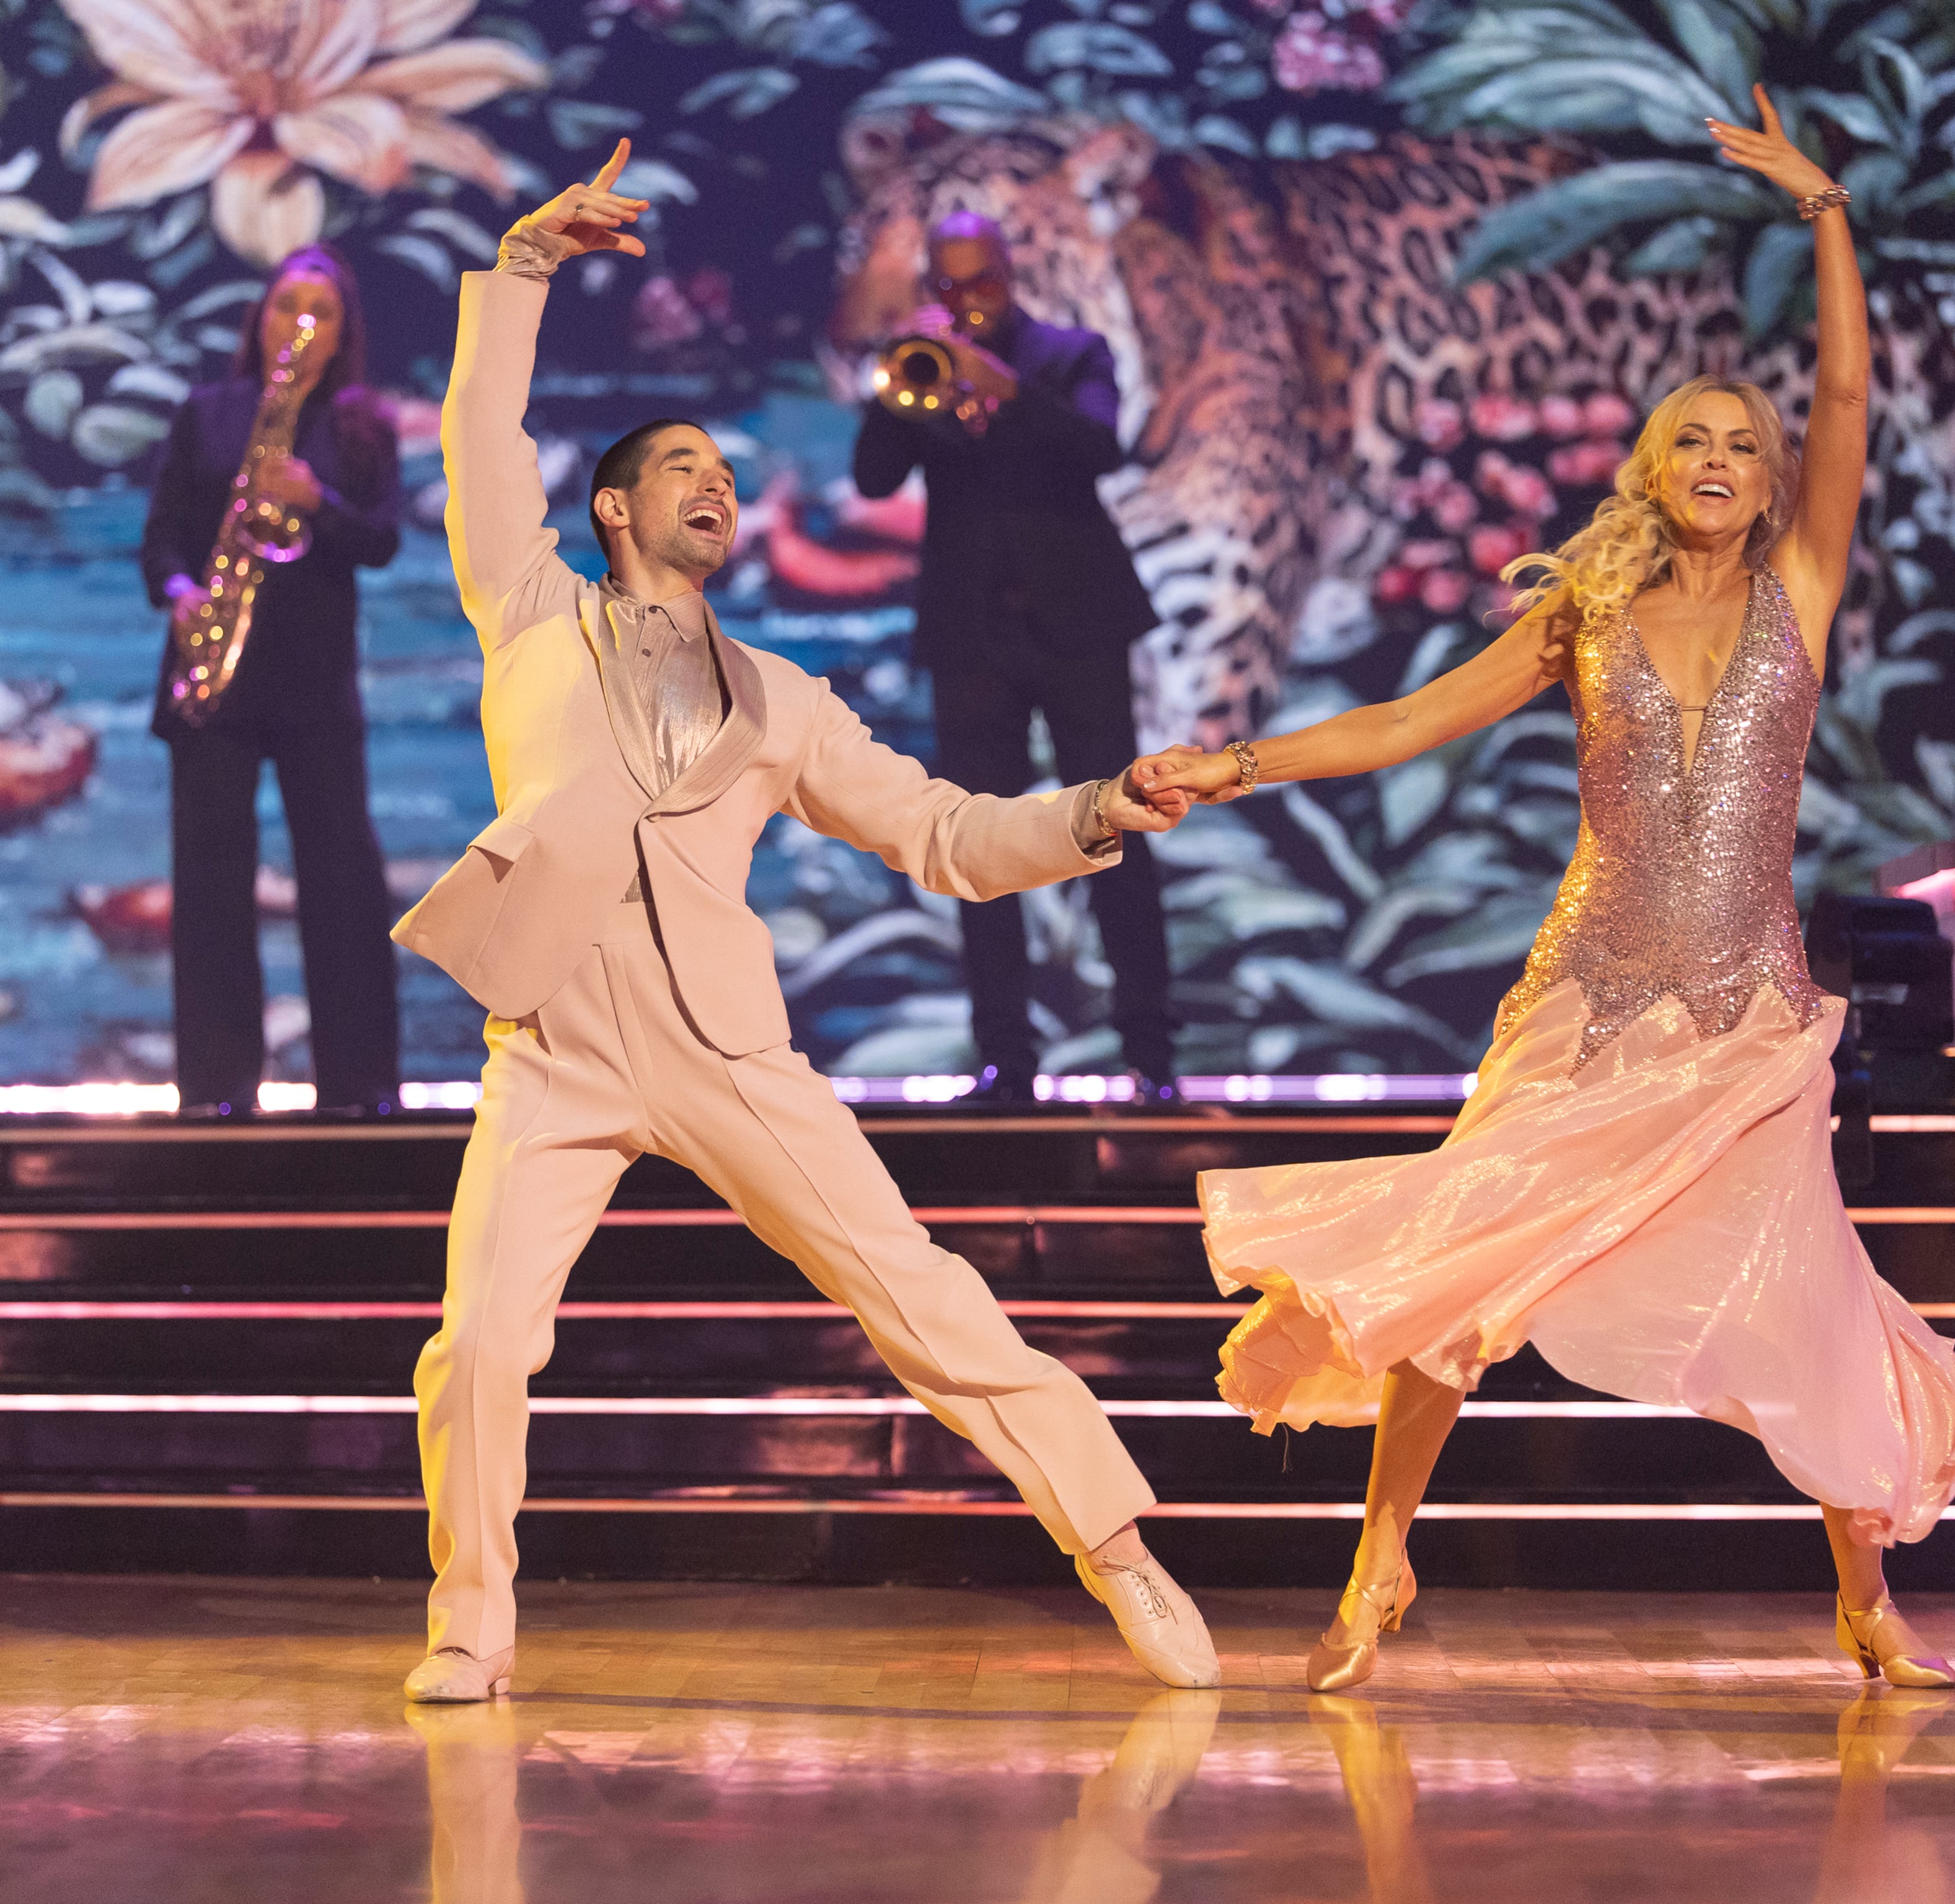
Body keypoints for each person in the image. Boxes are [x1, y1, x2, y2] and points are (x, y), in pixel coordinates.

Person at [1138, 92, 1955, 1693]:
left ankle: (1867, 1602)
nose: (1720, 460)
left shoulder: (1801, 591)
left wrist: (1825, 209)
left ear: (1770, 486)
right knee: (1467, 1275)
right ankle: (1380, 1559)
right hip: (1585, 1003)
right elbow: (1409, 720)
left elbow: (1845, 389)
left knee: (1813, 1299)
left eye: (1741, 446)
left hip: (1746, 1018)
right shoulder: (1586, 619)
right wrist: (1239, 761)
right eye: (1690, 436)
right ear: (1649, 466)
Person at [391, 143, 1217, 1703]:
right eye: (683, 468)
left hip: (730, 1054)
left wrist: (1098, 807)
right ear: (618, 508)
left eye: (725, 469)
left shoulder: (782, 696)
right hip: (552, 1051)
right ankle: (470, 1621)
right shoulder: (525, 607)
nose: (717, 483)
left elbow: (948, 834)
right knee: (479, 1346)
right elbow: (475, 433)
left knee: (926, 1301)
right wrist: (521, 267)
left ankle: (1121, 1553)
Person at [850, 210, 1176, 1105]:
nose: (967, 301)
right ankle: (1005, 1063)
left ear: (1009, 273)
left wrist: (1006, 388)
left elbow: (1098, 449)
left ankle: (1151, 1056)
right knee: (975, 847)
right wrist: (897, 385)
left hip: (1078, 628)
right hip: (972, 639)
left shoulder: (1072, 356)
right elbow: (874, 478)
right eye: (948, 287)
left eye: (980, 281)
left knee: (1120, 835)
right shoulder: (922, 367)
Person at [139, 244, 404, 1117]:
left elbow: (382, 540)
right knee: (211, 885)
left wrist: (315, 498)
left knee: (343, 885)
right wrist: (180, 592)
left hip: (315, 681)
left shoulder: (364, 424)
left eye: (320, 311)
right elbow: (165, 537)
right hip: (216, 675)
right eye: (286, 304)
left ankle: (358, 1090)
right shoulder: (209, 414)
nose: (299, 323)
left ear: (342, 335)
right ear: (259, 317)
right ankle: (216, 1092)